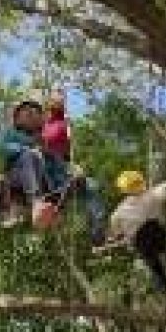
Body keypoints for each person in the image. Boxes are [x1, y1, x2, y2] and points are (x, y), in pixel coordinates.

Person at [97, 171, 166, 295]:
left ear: (124, 190)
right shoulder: (152, 195)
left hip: (140, 242)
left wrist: (110, 241)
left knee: (156, 270)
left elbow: (115, 233)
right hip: (154, 233)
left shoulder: (118, 212)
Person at [41, 91, 107, 246]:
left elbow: (68, 148)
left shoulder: (64, 122)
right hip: (49, 168)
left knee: (91, 186)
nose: (61, 102)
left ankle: (97, 233)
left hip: (64, 166)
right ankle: (55, 204)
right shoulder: (43, 125)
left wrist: (73, 165)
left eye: (62, 100)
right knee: (73, 182)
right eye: (57, 100)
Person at [0, 100, 60, 229]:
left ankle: (51, 211)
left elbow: (55, 162)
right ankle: (35, 202)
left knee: (74, 179)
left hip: (41, 181)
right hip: (16, 179)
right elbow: (1, 148)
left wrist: (70, 170)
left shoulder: (42, 139)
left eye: (35, 113)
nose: (31, 114)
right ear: (18, 118)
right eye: (27, 113)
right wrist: (25, 148)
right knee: (29, 156)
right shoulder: (12, 134)